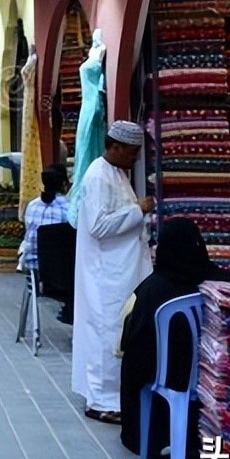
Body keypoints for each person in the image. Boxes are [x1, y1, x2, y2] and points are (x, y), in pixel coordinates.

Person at [119, 218, 230, 459]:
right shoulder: (221, 284)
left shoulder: (151, 290)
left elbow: (136, 353)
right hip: (215, 377)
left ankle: (149, 437)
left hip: (170, 382)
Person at [71, 119, 154, 425]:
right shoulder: (97, 176)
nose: (134, 159)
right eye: (131, 152)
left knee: (119, 331)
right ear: (115, 147)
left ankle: (116, 397)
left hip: (121, 270)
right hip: (106, 274)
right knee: (108, 333)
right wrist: (138, 210)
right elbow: (98, 226)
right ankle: (101, 401)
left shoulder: (117, 173)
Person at [21, 164, 72, 322]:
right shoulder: (69, 208)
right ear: (64, 184)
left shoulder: (32, 206)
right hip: (61, 274)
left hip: (33, 270)